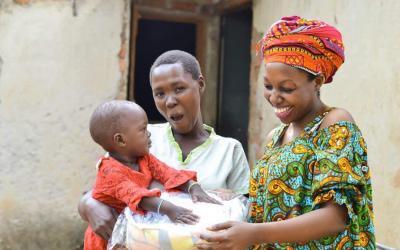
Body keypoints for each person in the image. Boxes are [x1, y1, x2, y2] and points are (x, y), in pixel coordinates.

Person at [197, 16, 375, 249]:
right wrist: (235, 199)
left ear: (318, 81)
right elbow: (279, 203)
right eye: (268, 86)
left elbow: (336, 217)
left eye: (287, 88)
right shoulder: (276, 137)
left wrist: (254, 234)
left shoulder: (334, 124)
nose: (274, 97)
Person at [78, 50, 250, 241]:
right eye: (160, 93)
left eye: (179, 89)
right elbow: (107, 185)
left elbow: (245, 211)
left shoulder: (229, 150)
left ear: (200, 84)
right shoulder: (139, 139)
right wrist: (88, 205)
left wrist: (221, 196)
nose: (170, 101)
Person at [84, 100, 219, 250]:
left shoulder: (143, 158)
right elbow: (137, 196)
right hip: (108, 236)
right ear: (121, 140)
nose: (149, 133)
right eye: (143, 129)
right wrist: (171, 209)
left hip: (133, 229)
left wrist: (193, 187)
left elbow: (167, 173)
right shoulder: (109, 171)